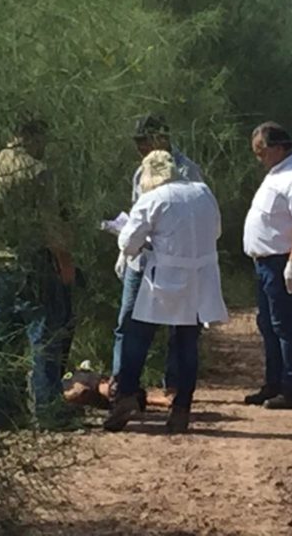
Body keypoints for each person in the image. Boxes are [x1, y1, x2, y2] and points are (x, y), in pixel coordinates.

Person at [105, 150, 228, 433]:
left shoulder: (152, 199)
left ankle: (126, 394)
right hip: (200, 278)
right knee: (186, 343)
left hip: (164, 279)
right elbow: (216, 230)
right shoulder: (203, 192)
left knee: (137, 336)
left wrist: (148, 242)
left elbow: (128, 243)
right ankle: (181, 407)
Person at [0, 118, 76, 430]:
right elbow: (50, 225)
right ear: (31, 135)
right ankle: (48, 412)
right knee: (44, 337)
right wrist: (65, 259)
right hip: (33, 264)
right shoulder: (37, 171)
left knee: (0, 340)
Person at [111, 114, 203, 399]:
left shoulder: (188, 171)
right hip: (141, 259)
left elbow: (195, 215)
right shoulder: (141, 172)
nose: (141, 148)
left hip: (174, 262)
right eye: (138, 142)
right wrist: (125, 247)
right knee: (128, 321)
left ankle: (174, 384)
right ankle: (123, 381)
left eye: (145, 141)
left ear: (162, 137)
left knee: (181, 325)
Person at [242, 122, 292, 410]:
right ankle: (272, 383)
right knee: (268, 325)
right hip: (264, 262)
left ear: (278, 147)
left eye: (262, 151)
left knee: (283, 326)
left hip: (280, 261)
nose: (259, 158)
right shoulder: (278, 173)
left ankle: (290, 389)